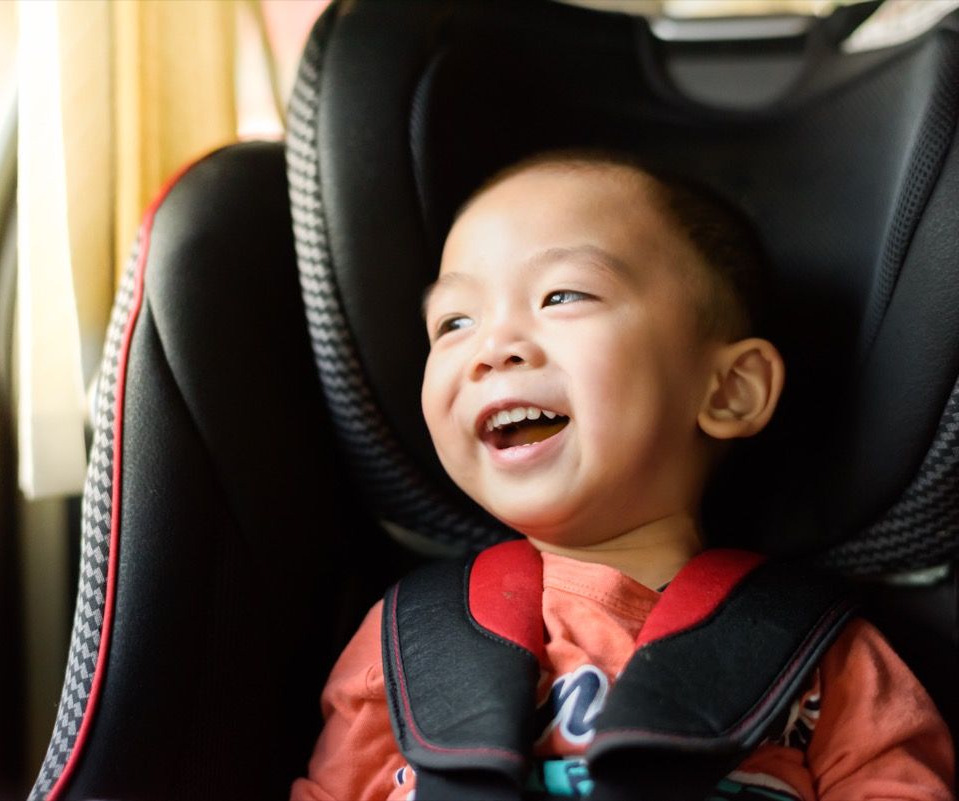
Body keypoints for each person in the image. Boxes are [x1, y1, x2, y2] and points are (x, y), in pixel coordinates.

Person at [289, 152, 955, 801]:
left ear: (728, 391)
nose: (493, 348)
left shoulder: (814, 652)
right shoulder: (407, 644)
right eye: (455, 321)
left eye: (562, 294)